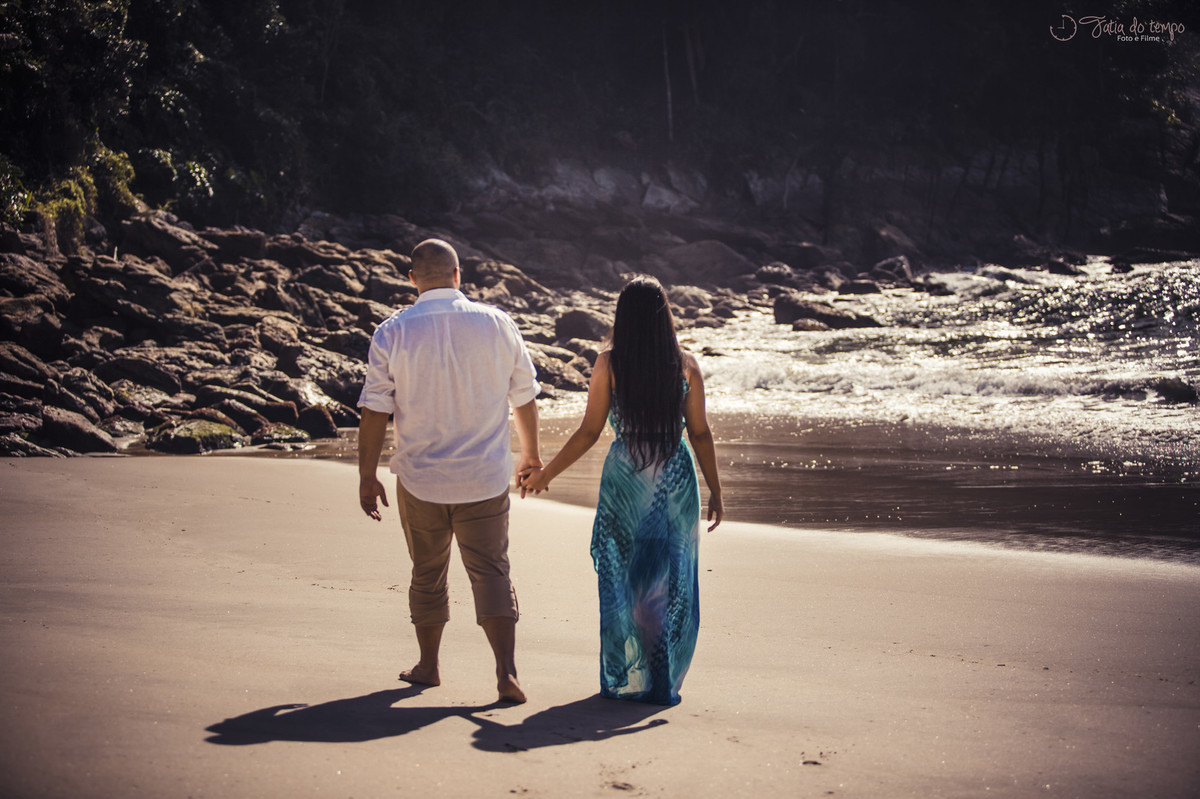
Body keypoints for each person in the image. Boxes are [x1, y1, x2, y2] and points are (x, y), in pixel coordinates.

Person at [520, 275, 723, 706]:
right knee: (669, 576)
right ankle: (660, 676)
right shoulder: (686, 364)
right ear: (665, 316)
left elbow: (589, 431)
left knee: (630, 578)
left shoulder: (608, 364)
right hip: (675, 476)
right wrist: (716, 490)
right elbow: (700, 433)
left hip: (626, 479)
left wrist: (546, 474)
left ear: (622, 317)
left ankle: (632, 676)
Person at [357, 238, 542, 705]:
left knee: (427, 573)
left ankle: (428, 666)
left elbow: (375, 409)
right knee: (492, 572)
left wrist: (366, 474)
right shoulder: (497, 323)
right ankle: (506, 674)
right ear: (459, 276)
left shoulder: (393, 331)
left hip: (421, 480)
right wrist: (530, 456)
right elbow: (523, 394)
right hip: (484, 477)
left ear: (412, 279)